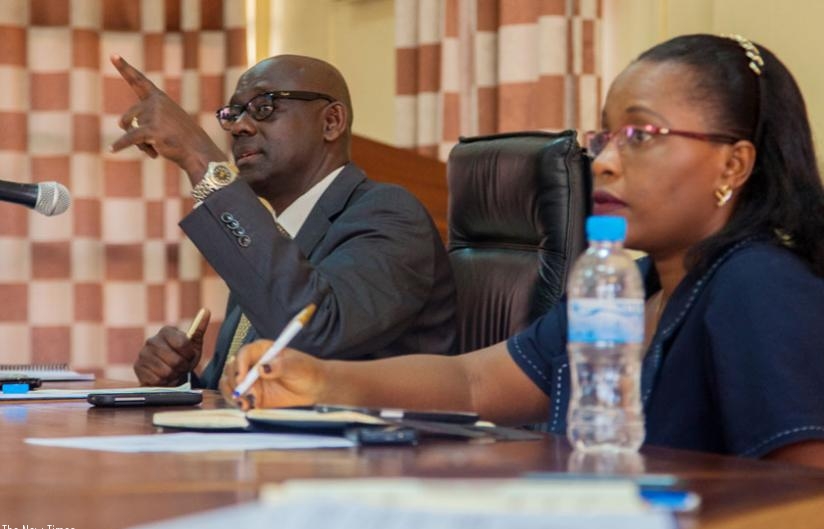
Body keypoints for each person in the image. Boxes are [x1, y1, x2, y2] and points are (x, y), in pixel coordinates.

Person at [222, 34, 824, 468]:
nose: (606, 160)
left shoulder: (756, 282)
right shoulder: (633, 284)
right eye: (604, 136)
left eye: (640, 135)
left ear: (733, 163)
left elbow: (805, 499)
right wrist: (323, 379)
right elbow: (471, 384)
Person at [110, 53, 457, 389]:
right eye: (234, 113)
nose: (240, 127)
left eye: (265, 107)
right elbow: (238, 390)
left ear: (331, 122)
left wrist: (200, 157)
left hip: (368, 447)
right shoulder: (269, 236)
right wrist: (178, 380)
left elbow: (313, 334)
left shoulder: (388, 213)